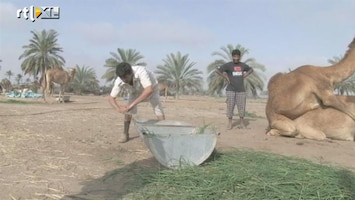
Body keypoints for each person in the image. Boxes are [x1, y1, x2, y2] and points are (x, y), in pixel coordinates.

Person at [108, 62, 165, 143]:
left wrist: (131, 105)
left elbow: (149, 90)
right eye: (122, 78)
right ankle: (125, 134)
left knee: (158, 109)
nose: (125, 80)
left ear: (131, 72)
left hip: (152, 89)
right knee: (128, 112)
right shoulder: (119, 81)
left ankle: (164, 132)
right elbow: (111, 98)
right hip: (134, 92)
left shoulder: (141, 71)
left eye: (126, 78)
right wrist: (118, 108)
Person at [215, 49, 253, 129]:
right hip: (230, 90)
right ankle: (230, 124)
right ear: (232, 57)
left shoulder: (243, 65)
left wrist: (245, 75)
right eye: (234, 56)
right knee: (230, 106)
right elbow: (217, 70)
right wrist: (225, 77)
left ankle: (242, 123)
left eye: (237, 56)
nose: (236, 58)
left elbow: (251, 69)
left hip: (241, 90)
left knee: (241, 107)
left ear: (240, 57)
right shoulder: (228, 65)